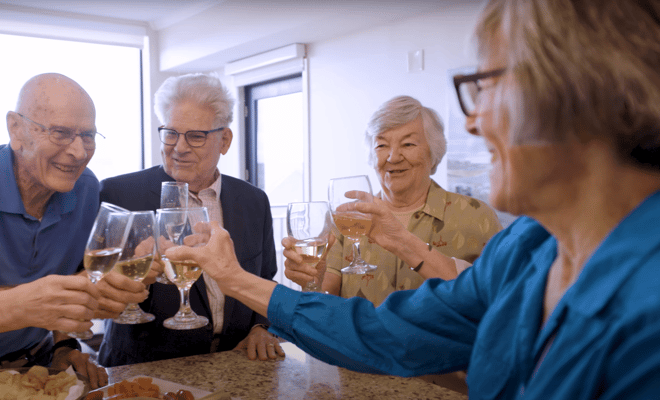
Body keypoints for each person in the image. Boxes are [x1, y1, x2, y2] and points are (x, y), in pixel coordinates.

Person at [165, 0, 660, 397]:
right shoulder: (527, 250)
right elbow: (383, 334)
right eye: (383, 145)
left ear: (584, 91)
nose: (474, 121)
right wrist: (232, 277)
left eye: (486, 86)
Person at [0, 73, 149, 390]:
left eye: (87, 136)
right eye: (60, 133)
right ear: (16, 129)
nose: (78, 152)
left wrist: (64, 346)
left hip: (35, 362)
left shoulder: (85, 187)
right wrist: (71, 293)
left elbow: (75, 273)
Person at [97, 73, 282, 367]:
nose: (179, 147)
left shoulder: (254, 200)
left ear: (225, 140)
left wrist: (261, 327)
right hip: (144, 373)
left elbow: (264, 277)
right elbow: (96, 287)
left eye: (195, 136)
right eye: (171, 133)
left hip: (234, 365)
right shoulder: (118, 194)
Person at [284, 96, 502, 306]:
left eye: (408, 144)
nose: (393, 157)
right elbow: (328, 299)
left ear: (433, 152)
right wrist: (311, 281)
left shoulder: (478, 217)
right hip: (361, 345)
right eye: (381, 145)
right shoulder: (346, 221)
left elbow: (500, 299)